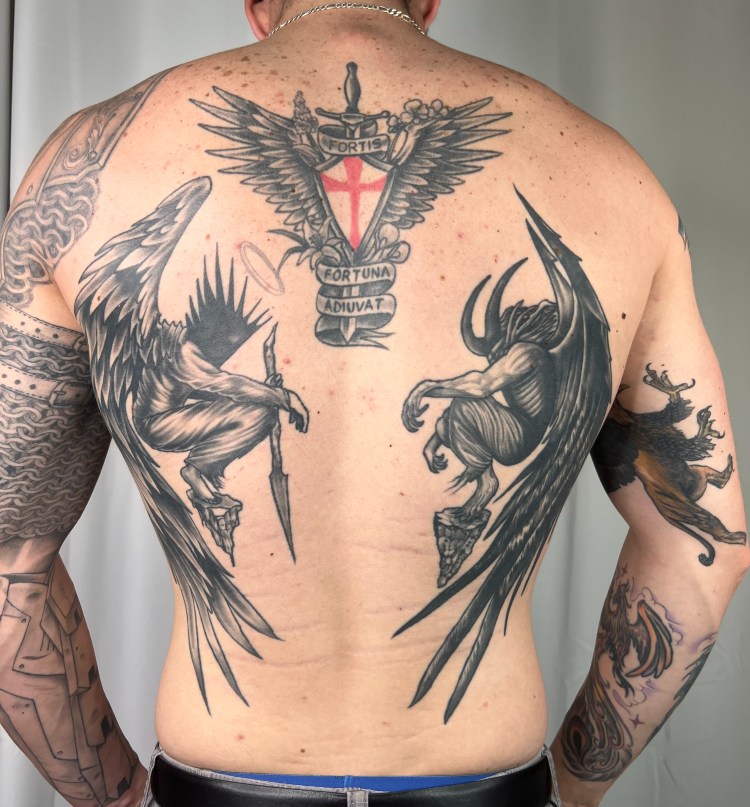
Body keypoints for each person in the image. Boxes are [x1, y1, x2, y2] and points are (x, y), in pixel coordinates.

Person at [0, 1, 747, 805]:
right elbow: (704, 550)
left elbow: (10, 565)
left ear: (257, 8)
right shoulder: (611, 177)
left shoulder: (85, 172)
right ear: (431, 2)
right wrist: (572, 785)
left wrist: (115, 797)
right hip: (487, 787)